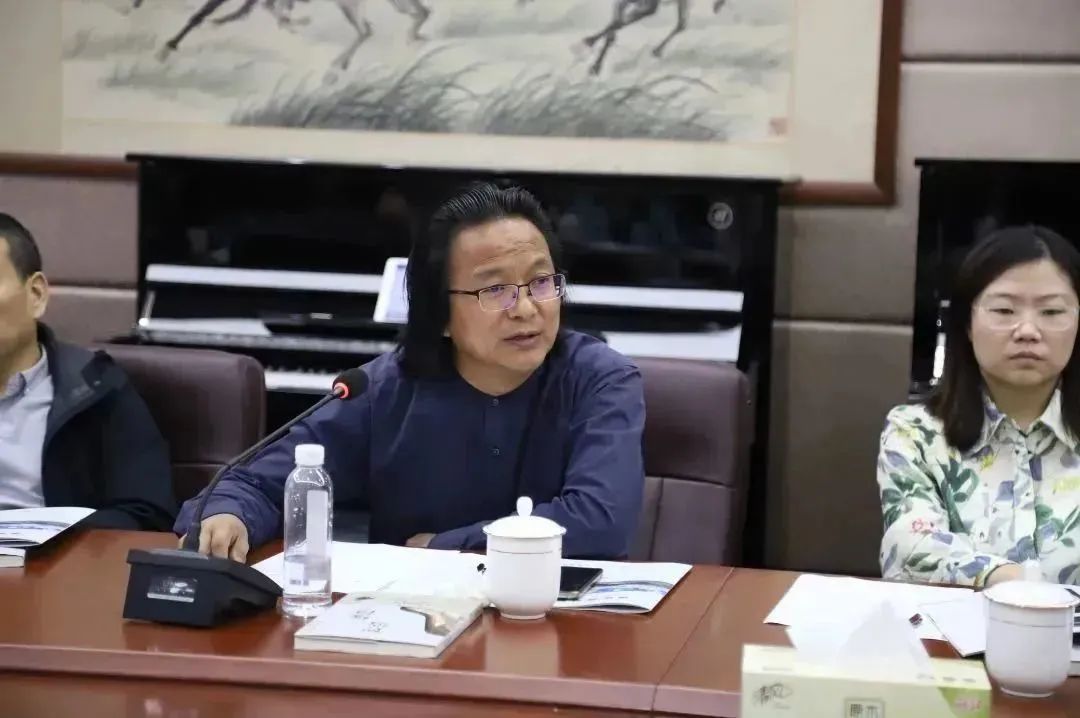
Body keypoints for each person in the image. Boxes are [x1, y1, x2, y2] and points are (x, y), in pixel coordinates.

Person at [176, 182, 646, 561]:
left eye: (541, 282)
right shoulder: (384, 390)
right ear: (438, 314)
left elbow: (599, 522)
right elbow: (252, 483)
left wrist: (444, 545)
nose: (526, 308)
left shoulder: (600, 379)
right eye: (495, 290)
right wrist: (229, 515)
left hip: (560, 625)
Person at [878, 225, 1080, 587]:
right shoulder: (915, 433)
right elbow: (907, 547)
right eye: (1004, 310)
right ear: (967, 325)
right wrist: (1014, 582)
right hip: (958, 625)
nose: (1028, 330)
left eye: (1051, 312)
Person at [0, 212, 175, 529]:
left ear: (36, 294)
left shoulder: (97, 387)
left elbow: (148, 514)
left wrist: (56, 537)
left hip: (51, 556)